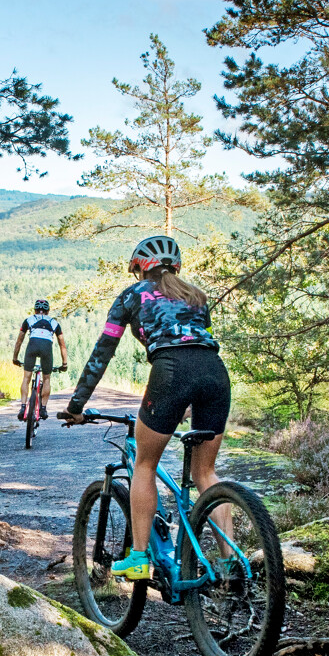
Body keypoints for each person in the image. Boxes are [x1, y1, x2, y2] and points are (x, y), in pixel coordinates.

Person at [62, 235, 229, 582]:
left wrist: (76, 405)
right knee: (206, 473)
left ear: (139, 268)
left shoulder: (131, 296)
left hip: (170, 372)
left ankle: (138, 557)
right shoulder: (197, 296)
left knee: (145, 463)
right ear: (176, 266)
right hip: (215, 373)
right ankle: (231, 562)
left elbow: (102, 352)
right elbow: (200, 343)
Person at [11, 299, 68, 421]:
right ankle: (43, 408)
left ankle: (22, 407)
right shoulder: (54, 323)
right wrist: (64, 364)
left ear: (35, 310)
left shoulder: (28, 320)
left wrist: (15, 358)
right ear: (47, 311)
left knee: (26, 378)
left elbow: (19, 341)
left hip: (32, 347)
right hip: (46, 349)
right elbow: (62, 345)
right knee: (46, 378)